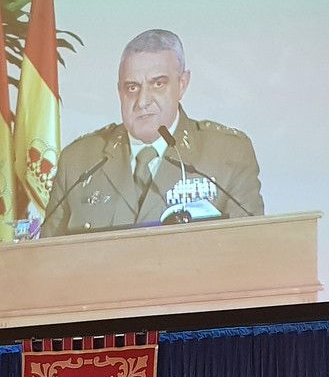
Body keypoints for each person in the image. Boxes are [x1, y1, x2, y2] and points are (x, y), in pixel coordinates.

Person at [41, 29, 264, 237]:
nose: (143, 101)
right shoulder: (80, 160)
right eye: (132, 87)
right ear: (119, 90)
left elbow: (251, 248)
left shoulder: (228, 154)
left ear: (182, 84)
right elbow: (46, 256)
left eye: (157, 84)